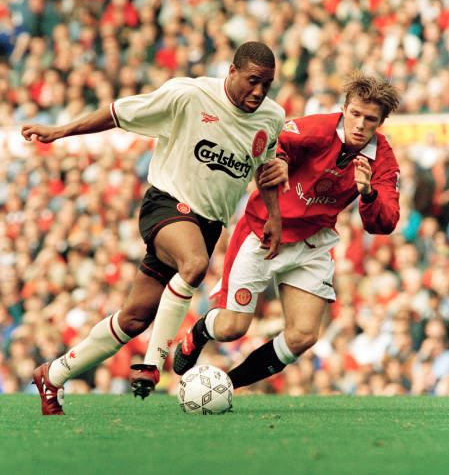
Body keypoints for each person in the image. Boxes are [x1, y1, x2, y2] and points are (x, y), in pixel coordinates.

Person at [21, 41, 286, 414]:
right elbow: (117, 113)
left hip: (208, 226)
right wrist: (61, 131)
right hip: (166, 205)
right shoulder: (188, 95)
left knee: (134, 317)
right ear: (232, 71)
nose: (259, 92)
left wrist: (274, 217)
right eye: (253, 81)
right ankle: (153, 362)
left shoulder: (271, 118)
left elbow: (266, 169)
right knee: (194, 266)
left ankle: (54, 374)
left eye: (267, 85)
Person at [173, 72, 401, 391]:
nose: (361, 124)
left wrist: (369, 194)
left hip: (313, 240)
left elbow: (385, 222)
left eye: (371, 119)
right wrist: (279, 161)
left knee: (303, 335)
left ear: (381, 122)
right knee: (231, 328)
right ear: (345, 108)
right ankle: (198, 334)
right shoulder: (317, 128)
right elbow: (274, 142)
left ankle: (226, 384)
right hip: (263, 231)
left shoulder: (382, 159)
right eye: (356, 114)